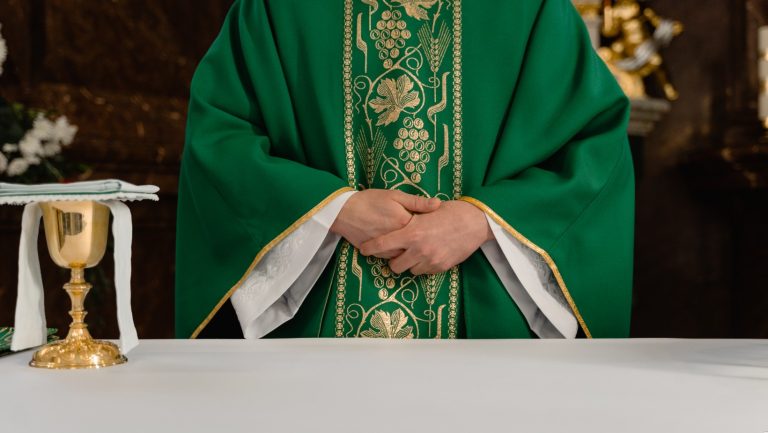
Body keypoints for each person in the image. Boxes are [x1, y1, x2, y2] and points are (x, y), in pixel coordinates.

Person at [175, 0, 635, 340]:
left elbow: (594, 146)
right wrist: (335, 209)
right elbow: (222, 137)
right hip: (315, 331)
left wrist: (480, 220)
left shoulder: (533, 9)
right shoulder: (276, 8)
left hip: (487, 325)